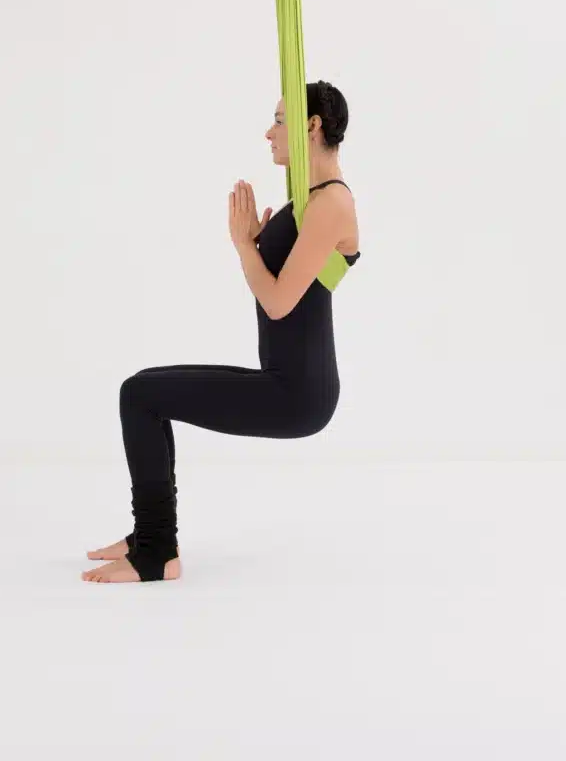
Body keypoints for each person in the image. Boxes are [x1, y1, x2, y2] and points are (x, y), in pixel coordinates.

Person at [82, 80, 361, 583]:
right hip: (282, 380)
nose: (269, 133)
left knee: (141, 395)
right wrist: (257, 241)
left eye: (279, 120)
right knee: (144, 391)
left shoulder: (330, 204)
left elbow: (277, 304)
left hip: (298, 395)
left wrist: (243, 246)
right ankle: (151, 536)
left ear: (311, 126)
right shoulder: (311, 199)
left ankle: (156, 552)